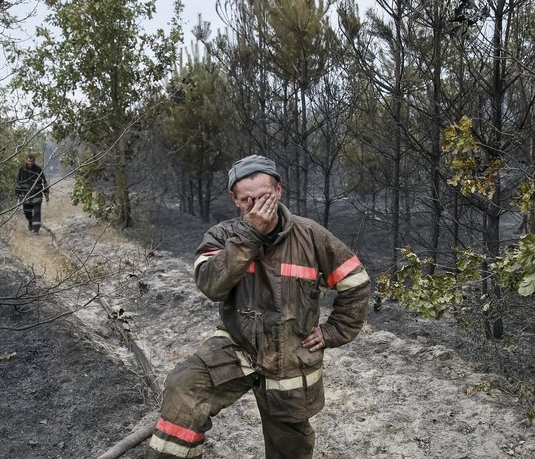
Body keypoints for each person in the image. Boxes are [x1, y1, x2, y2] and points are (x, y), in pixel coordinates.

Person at [147, 155, 371, 459]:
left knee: (290, 446)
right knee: (183, 387)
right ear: (235, 200)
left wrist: (334, 331)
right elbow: (211, 285)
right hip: (236, 345)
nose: (255, 206)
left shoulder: (312, 237)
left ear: (278, 191)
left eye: (263, 197)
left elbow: (355, 283)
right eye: (246, 200)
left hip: (290, 356)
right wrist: (249, 234)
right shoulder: (222, 236)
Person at [15, 154, 49, 234]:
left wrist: (46, 194)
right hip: (26, 196)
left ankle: (36, 230)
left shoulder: (38, 170)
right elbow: (18, 183)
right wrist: (17, 194)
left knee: (37, 213)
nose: (30, 163)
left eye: (32, 161)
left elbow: (44, 182)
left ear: (34, 161)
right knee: (27, 213)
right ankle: (30, 222)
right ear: (26, 161)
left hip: (37, 195)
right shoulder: (22, 170)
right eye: (29, 161)